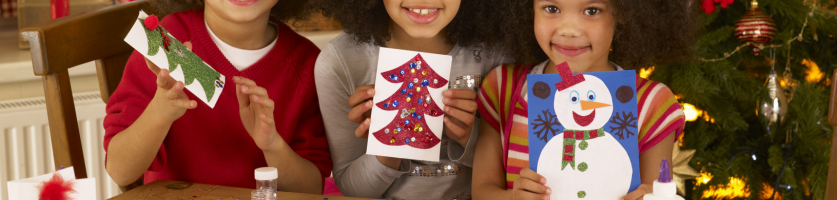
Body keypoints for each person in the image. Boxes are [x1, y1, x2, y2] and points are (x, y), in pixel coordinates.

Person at [472, 0, 700, 199]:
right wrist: (514, 198)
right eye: (551, 8)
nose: (569, 30)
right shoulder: (504, 88)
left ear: (624, 11)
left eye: (592, 10)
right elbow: (482, 191)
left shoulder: (652, 103)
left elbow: (656, 191)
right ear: (527, 8)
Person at [103, 0, 331, 194]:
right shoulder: (165, 42)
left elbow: (311, 190)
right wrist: (160, 111)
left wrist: (272, 145)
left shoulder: (307, 64)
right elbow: (120, 170)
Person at [313, 0, 514, 199]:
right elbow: (352, 189)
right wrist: (386, 147)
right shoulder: (340, 62)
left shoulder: (499, 53)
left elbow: (518, 170)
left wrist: (470, 138)